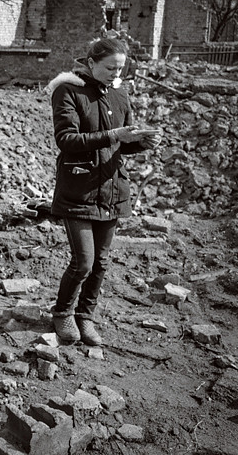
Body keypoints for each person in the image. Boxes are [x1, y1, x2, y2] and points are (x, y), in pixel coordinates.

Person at [45, 36, 162, 347]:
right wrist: (113, 134)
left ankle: (85, 316)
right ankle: (62, 313)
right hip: (78, 190)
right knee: (83, 261)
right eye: (110, 68)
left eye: (120, 68)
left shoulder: (120, 94)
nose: (115, 73)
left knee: (102, 262)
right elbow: (66, 139)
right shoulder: (67, 90)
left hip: (111, 189)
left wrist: (142, 142)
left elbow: (125, 141)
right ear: (91, 63)